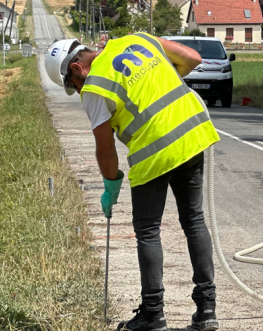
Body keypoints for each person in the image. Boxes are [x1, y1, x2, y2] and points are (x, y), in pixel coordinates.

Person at [45, 33, 221, 331]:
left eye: (73, 87)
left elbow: (105, 148)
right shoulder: (138, 38)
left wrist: (110, 185)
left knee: (148, 230)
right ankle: (207, 311)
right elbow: (193, 59)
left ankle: (153, 314)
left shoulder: (94, 87)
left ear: (77, 69)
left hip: (153, 151)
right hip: (192, 133)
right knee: (193, 220)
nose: (78, 91)